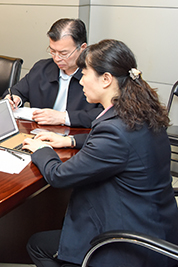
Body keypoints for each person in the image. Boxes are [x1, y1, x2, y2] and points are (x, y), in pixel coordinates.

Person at [23, 39, 178, 267]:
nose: (81, 81)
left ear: (106, 79)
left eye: (85, 73)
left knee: (37, 245)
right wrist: (70, 140)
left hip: (126, 243)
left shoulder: (114, 130)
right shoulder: (140, 111)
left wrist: (43, 150)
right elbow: (123, 145)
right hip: (156, 225)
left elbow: (59, 176)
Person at [5, 18, 102, 128]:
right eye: (52, 51)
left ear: (82, 48)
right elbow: (16, 91)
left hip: (78, 135)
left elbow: (107, 114)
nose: (57, 58)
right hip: (39, 133)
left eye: (63, 53)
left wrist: (63, 117)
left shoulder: (97, 75)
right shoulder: (42, 68)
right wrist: (14, 99)